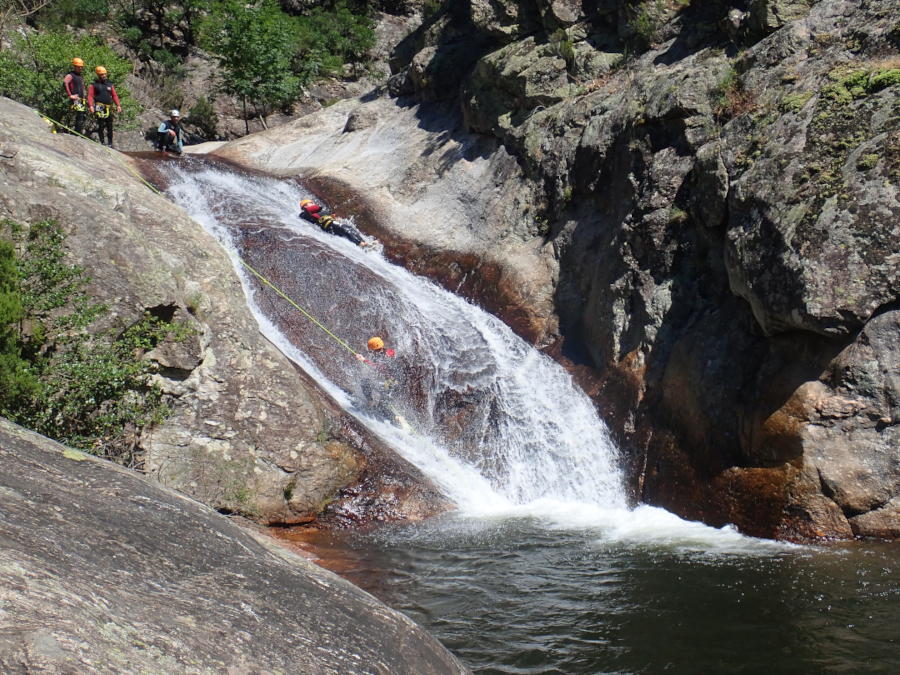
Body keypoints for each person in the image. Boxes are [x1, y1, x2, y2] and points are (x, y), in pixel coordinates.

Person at [356, 336, 403, 420]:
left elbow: (379, 367)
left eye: (371, 351)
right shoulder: (386, 352)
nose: (371, 353)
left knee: (382, 407)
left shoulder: (387, 355)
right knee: (365, 382)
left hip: (392, 384)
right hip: (391, 383)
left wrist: (364, 360)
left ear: (375, 350)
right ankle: (371, 402)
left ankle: (396, 417)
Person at [299, 199, 370, 247]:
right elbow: (304, 216)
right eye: (310, 203)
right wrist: (307, 209)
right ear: (305, 206)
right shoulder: (305, 214)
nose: (313, 203)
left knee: (350, 228)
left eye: (312, 202)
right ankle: (360, 244)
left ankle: (363, 242)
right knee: (345, 230)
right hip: (328, 227)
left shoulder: (321, 211)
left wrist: (335, 218)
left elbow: (331, 216)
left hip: (332, 224)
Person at [87, 66, 122, 147]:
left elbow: (114, 95)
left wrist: (118, 105)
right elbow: (90, 96)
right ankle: (102, 142)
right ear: (98, 75)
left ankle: (110, 143)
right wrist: (91, 106)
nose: (104, 76)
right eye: (102, 74)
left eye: (105, 74)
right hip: (99, 107)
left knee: (110, 125)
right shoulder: (94, 85)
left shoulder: (109, 84)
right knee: (101, 124)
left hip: (108, 107)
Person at [63, 57, 86, 134]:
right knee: (78, 115)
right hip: (75, 99)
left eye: (81, 67)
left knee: (81, 116)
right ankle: (74, 133)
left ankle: (76, 132)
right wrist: (70, 95)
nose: (80, 68)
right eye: (79, 67)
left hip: (80, 99)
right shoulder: (71, 75)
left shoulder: (79, 76)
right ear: (75, 66)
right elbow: (65, 83)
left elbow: (82, 87)